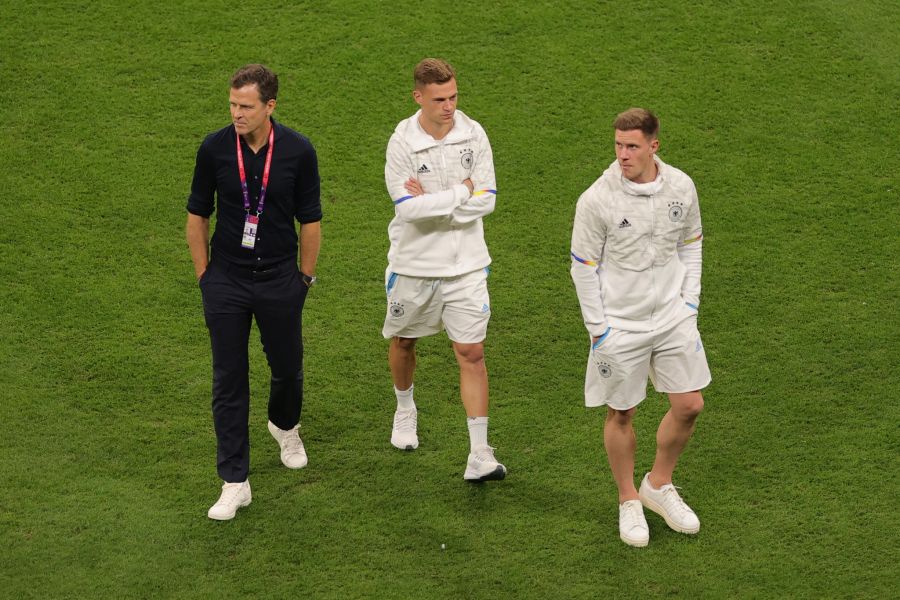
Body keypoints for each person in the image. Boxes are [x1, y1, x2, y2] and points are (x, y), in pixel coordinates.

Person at [186, 64, 322, 520]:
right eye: (232, 104)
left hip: (281, 279)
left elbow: (311, 220)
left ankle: (285, 426)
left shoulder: (299, 151)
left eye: (245, 106)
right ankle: (234, 480)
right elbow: (197, 215)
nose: (236, 113)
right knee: (228, 380)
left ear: (270, 107)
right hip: (226, 280)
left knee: (287, 368)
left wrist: (304, 279)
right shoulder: (215, 148)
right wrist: (206, 276)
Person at [570, 108, 711, 547]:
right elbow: (583, 267)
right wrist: (600, 331)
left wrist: (689, 302)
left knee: (689, 405)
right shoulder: (598, 199)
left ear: (654, 145)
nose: (623, 155)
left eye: (632, 146)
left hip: (672, 318)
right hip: (621, 327)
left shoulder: (681, 186)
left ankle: (658, 484)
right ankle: (628, 498)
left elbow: (691, 244)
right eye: (618, 145)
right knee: (622, 413)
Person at [382, 58, 505, 482]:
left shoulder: (475, 134)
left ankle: (479, 452)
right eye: (439, 99)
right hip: (413, 265)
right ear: (419, 97)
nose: (449, 106)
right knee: (404, 342)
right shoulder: (402, 141)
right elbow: (409, 211)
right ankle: (405, 409)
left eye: (453, 96)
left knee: (471, 353)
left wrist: (440, 199)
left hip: (467, 264)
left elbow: (488, 199)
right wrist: (461, 192)